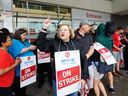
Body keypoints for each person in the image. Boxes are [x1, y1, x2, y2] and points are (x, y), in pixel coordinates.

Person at [37, 18, 89, 96]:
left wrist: (84, 78)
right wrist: (44, 28)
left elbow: (84, 60)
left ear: (70, 33)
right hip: (59, 81)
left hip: (73, 80)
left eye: (65, 30)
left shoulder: (76, 44)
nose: (62, 31)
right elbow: (41, 46)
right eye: (60, 30)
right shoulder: (54, 43)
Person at [8, 28, 36, 96]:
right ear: (18, 35)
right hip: (19, 67)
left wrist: (33, 47)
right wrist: (29, 48)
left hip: (27, 66)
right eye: (23, 35)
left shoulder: (25, 42)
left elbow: (30, 47)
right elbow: (17, 51)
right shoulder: (14, 41)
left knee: (24, 83)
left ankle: (23, 93)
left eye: (25, 35)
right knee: (19, 84)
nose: (25, 36)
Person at [74, 20, 94, 95]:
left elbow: (92, 47)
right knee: (79, 82)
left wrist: (87, 56)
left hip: (88, 62)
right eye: (88, 26)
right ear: (83, 25)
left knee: (89, 80)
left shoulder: (89, 36)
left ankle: (86, 92)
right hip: (77, 63)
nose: (89, 28)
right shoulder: (73, 35)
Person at [95, 21, 116, 94]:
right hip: (110, 56)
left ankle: (96, 85)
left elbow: (101, 25)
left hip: (103, 57)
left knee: (97, 76)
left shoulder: (101, 30)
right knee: (109, 72)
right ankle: (111, 87)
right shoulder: (111, 37)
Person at [0, 32, 21, 96]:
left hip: (7, 82)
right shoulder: (3, 54)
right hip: (4, 84)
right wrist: (15, 64)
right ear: (3, 43)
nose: (11, 41)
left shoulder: (5, 51)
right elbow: (0, 72)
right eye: (9, 40)